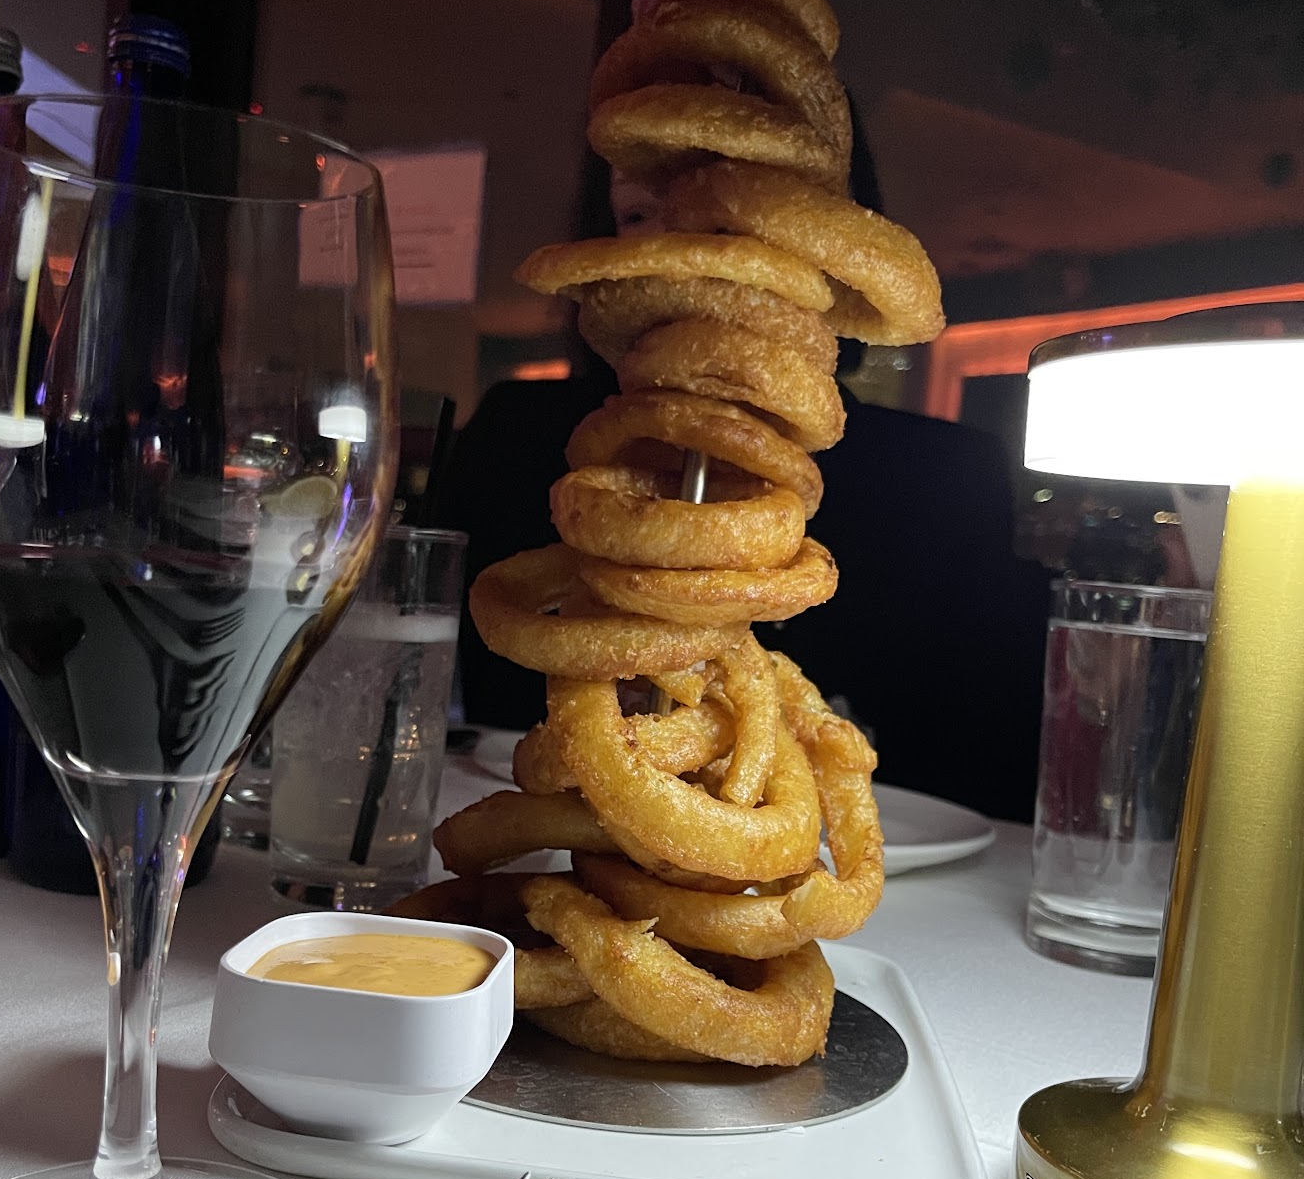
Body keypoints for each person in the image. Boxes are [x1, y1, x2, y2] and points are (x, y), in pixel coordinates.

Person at [436, 137, 1051, 824]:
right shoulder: (518, 435)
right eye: (641, 217)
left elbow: (994, 756)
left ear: (828, 240)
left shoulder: (946, 476)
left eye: (739, 224)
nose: (693, 253)